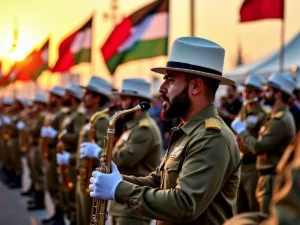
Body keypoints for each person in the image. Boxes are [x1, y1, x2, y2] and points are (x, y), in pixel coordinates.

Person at [89, 37, 241, 225]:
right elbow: (158, 182)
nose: (161, 89)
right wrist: (117, 179)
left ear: (195, 87)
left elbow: (184, 204)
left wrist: (118, 189)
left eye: (170, 81)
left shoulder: (211, 137)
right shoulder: (188, 131)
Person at [83, 78, 163, 225]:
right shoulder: (133, 127)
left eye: (124, 99)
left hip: (133, 205)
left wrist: (98, 152)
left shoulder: (144, 129)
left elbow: (124, 159)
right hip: (123, 201)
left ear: (136, 102)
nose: (120, 104)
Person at [231, 72, 296, 214]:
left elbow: (260, 147)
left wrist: (242, 132)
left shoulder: (281, 120)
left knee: (260, 217)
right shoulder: (275, 117)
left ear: (278, 93)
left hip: (270, 177)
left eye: (267, 91)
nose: (263, 94)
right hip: (261, 174)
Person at [75, 76, 112, 225]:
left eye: (88, 94)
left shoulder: (101, 119)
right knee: (80, 217)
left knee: (89, 219)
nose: (83, 97)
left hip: (91, 177)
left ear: (97, 98)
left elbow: (105, 151)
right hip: (83, 175)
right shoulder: (91, 117)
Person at [236, 74, 269, 213]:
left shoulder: (263, 114)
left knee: (253, 209)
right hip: (240, 165)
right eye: (245, 91)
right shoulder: (243, 110)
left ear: (258, 93)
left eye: (250, 91)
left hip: (253, 167)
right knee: (239, 209)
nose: (246, 94)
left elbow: (260, 143)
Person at [56, 83, 86, 225]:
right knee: (64, 193)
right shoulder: (70, 113)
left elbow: (77, 137)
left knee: (72, 196)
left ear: (72, 97)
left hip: (73, 156)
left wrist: (62, 135)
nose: (64, 97)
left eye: (67, 95)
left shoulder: (78, 115)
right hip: (66, 156)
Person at [40, 86, 66, 225]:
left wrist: (55, 134)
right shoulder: (52, 113)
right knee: (50, 184)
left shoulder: (61, 113)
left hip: (57, 152)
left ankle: (60, 215)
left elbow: (63, 134)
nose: (50, 99)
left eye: (53, 96)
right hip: (50, 152)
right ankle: (56, 213)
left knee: (56, 185)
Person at [26, 93, 48, 210]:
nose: (34, 106)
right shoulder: (38, 116)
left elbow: (33, 130)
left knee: (39, 175)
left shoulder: (42, 116)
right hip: (34, 146)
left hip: (38, 147)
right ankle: (36, 198)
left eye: (37, 104)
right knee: (34, 173)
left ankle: (40, 202)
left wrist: (31, 117)